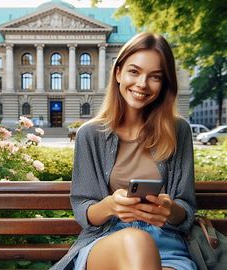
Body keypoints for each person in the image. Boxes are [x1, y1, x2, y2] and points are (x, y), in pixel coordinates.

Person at [51, 32, 197, 270]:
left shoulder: (178, 130)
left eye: (155, 77)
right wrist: (110, 206)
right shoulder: (90, 134)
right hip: (107, 241)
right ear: (118, 73)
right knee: (136, 241)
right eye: (134, 71)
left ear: (165, 84)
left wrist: (170, 210)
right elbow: (83, 210)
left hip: (168, 246)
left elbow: (186, 207)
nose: (142, 84)